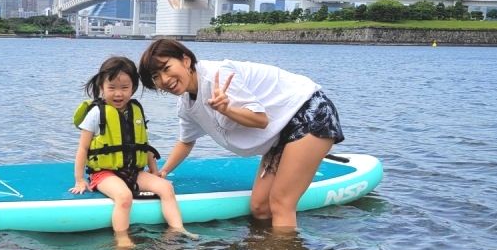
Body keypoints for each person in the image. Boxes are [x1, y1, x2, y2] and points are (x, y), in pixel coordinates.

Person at [137, 39, 344, 229]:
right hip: (281, 132)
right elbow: (186, 141)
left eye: (166, 68)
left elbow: (260, 120)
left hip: (309, 112)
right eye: (156, 77)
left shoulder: (218, 76)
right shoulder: (185, 103)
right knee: (260, 208)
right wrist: (163, 172)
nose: (164, 79)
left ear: (185, 60)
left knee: (281, 203)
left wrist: (227, 109)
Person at [69, 56, 197, 247]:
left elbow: (144, 146)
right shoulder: (96, 113)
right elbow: (83, 148)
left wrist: (155, 172)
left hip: (134, 172)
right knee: (124, 196)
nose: (118, 94)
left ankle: (177, 229)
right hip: (104, 174)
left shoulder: (135, 110)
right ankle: (122, 240)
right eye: (112, 88)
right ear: (101, 87)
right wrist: (80, 179)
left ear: (134, 88)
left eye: (124, 88)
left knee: (166, 188)